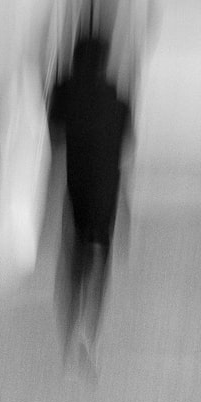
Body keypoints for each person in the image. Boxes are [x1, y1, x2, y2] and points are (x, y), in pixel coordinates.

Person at [48, 35, 133, 377]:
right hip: (106, 192)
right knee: (99, 263)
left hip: (75, 188)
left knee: (72, 263)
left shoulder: (63, 91)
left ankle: (68, 336)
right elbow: (125, 151)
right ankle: (89, 335)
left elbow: (54, 136)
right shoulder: (119, 100)